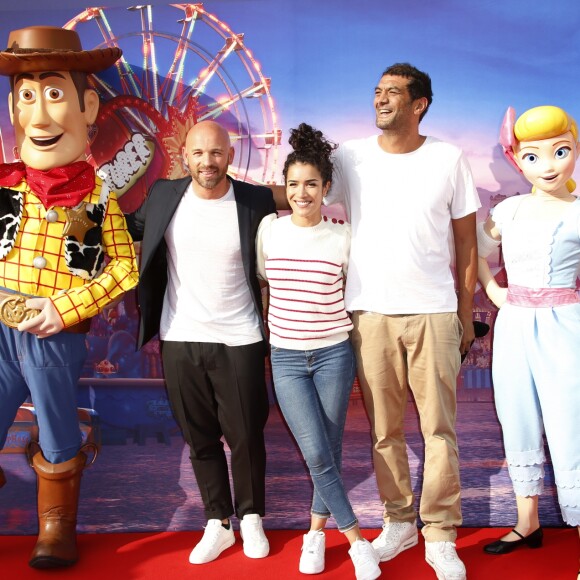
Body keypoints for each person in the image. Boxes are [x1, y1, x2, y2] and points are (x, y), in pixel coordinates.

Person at [323, 63, 480, 580]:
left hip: (434, 312)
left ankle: (439, 532)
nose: (381, 99)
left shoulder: (449, 159)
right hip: (368, 313)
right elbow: (300, 192)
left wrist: (464, 316)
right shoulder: (349, 156)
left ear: (420, 105)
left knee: (440, 431)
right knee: (384, 431)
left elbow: (465, 243)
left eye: (393, 92)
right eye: (376, 91)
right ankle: (398, 522)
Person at [0, 26, 138, 568]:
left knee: (57, 422)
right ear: (13, 110)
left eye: (53, 94)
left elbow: (126, 269)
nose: (39, 116)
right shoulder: (5, 186)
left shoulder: (97, 200)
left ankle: (55, 528)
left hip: (52, 332)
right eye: (27, 97)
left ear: (87, 106)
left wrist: (65, 308)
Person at [125, 120, 274, 565]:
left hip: (240, 337)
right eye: (198, 153)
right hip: (180, 335)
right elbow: (121, 229)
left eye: (216, 153)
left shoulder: (256, 201)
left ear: (229, 156)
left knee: (246, 436)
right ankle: (217, 521)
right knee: (200, 436)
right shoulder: (163, 195)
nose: (207, 162)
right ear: (184, 155)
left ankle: (251, 518)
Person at [256, 123, 381, 580]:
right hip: (287, 358)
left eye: (311, 183)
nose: (302, 192)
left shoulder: (343, 236)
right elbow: (265, 285)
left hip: (333, 353)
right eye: (293, 184)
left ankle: (314, 534)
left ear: (327, 188)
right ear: (284, 188)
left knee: (327, 449)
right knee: (317, 453)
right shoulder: (269, 231)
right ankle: (356, 540)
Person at [477, 105, 579, 571]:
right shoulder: (508, 209)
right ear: (518, 160)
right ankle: (528, 522)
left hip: (565, 325)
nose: (550, 165)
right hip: (516, 325)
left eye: (561, 151)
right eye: (534, 156)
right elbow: (474, 248)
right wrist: (495, 291)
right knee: (517, 417)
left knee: (570, 428)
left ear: (575, 151)